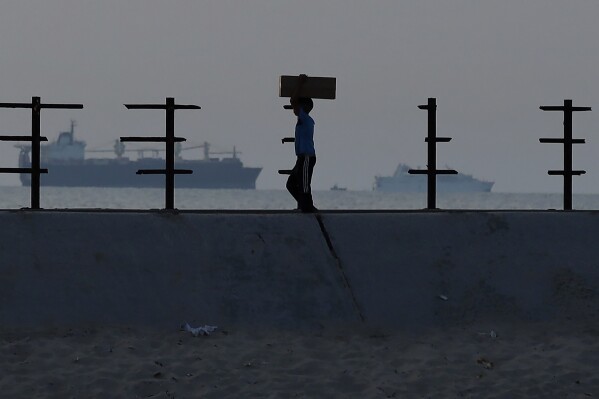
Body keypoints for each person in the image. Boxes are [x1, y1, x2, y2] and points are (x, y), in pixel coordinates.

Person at [286, 74, 317, 212]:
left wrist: (299, 83)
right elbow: (294, 102)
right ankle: (305, 206)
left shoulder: (305, 118)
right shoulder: (304, 119)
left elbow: (293, 100)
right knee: (292, 184)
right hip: (301, 158)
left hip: (307, 157)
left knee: (304, 185)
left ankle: (307, 208)